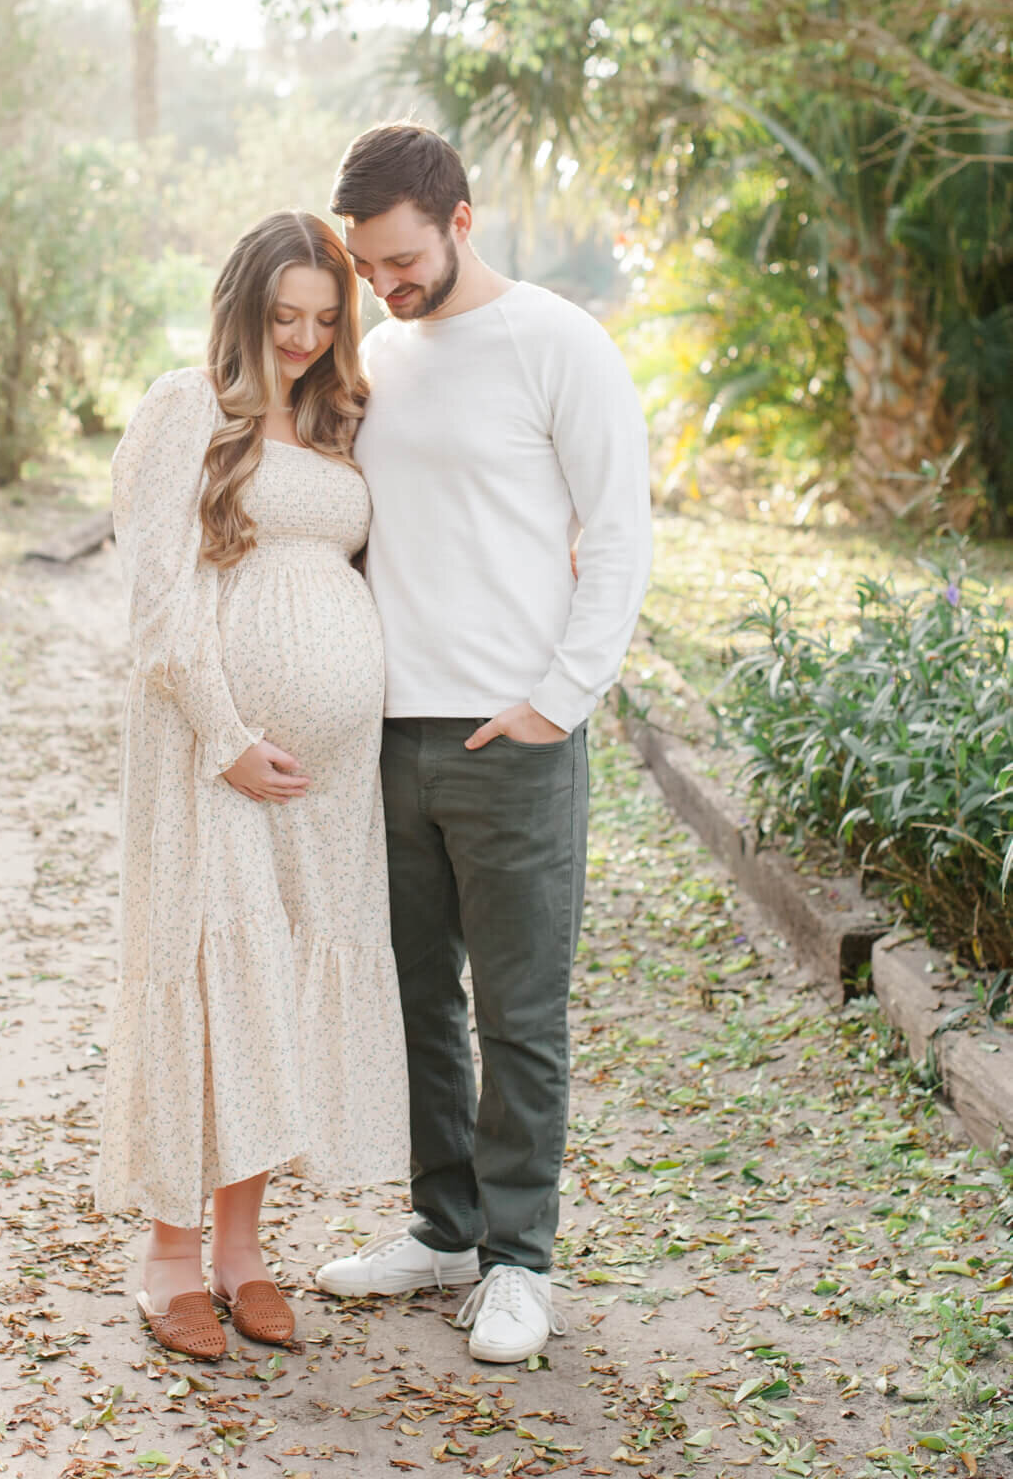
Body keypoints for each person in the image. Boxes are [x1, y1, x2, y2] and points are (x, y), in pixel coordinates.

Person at [314, 124, 652, 1365]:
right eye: (366, 266)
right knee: (416, 1002)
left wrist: (557, 700)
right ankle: (443, 1224)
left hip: (511, 735)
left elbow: (617, 534)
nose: (384, 285)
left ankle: (519, 1261)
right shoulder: (376, 356)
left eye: (400, 258)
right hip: (386, 734)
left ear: (460, 218)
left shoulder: (559, 342)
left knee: (516, 1011)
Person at [97, 210, 409, 1362]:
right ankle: (168, 1257)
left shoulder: (341, 418)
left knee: (274, 988)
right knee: (209, 975)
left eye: (325, 319)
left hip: (329, 778)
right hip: (211, 754)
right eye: (282, 316)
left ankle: (242, 1251)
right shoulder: (186, 407)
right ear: (241, 306)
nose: (302, 337)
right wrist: (228, 731)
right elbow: (159, 600)